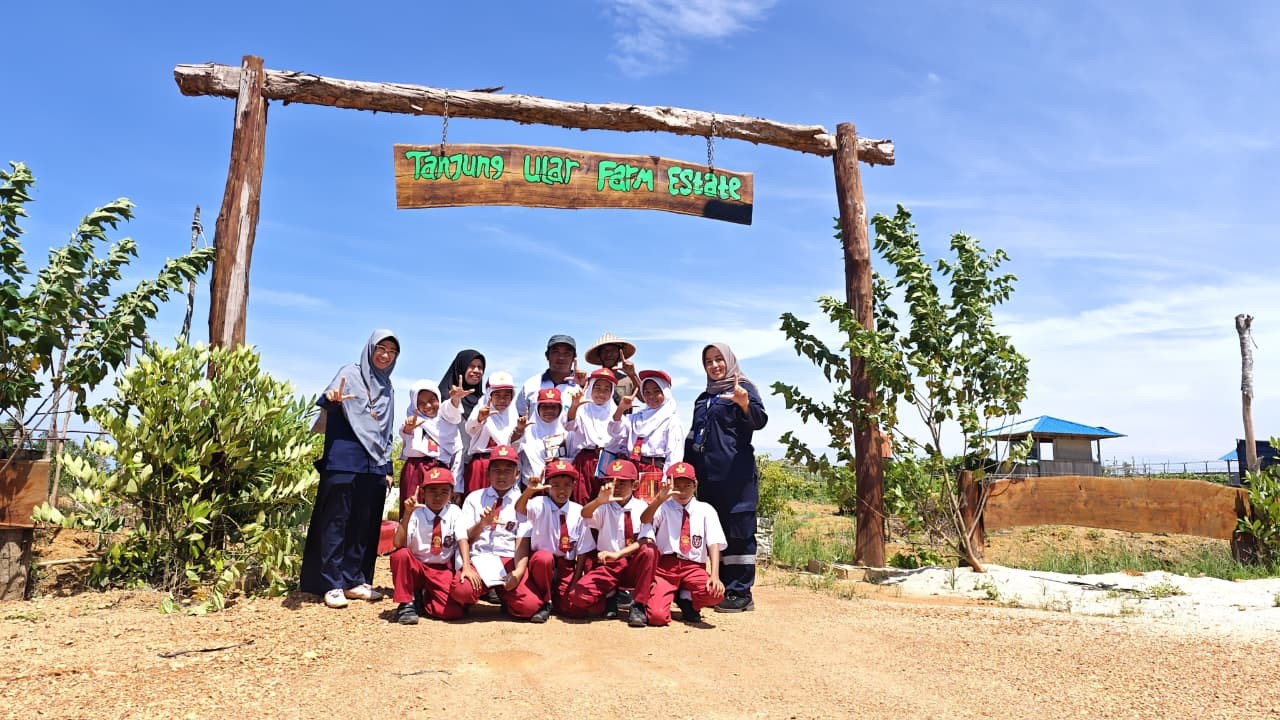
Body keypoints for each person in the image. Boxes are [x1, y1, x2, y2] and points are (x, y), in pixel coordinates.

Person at [300, 329, 400, 609]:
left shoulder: (388, 387)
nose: (385, 355)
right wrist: (332, 398)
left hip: (374, 465)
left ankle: (355, 580)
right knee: (336, 521)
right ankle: (331, 583)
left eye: (392, 352)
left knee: (364, 523)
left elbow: (386, 429)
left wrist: (387, 465)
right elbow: (329, 400)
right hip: (345, 459)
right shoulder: (350, 373)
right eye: (381, 348)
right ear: (370, 349)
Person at [684, 343, 768, 613]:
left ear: (729, 361)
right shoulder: (702, 398)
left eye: (719, 359)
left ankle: (741, 592)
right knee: (716, 532)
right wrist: (686, 471)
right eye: (709, 361)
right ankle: (721, 588)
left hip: (738, 477)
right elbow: (694, 435)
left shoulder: (743, 388)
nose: (715, 365)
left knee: (740, 532)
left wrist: (744, 404)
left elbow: (759, 420)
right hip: (709, 478)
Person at [563, 458, 658, 627]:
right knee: (579, 598)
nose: (617, 486)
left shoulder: (642, 507)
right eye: (611, 481)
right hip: (608, 566)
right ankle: (610, 596)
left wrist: (619, 554)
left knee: (649, 551)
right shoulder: (603, 506)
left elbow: (645, 539)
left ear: (635, 485)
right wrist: (599, 500)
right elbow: (585, 514)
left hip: (632, 564)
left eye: (622, 482)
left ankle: (638, 605)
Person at [450, 445, 540, 619]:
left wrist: (518, 572)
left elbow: (522, 542)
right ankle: (472, 598)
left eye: (508, 470)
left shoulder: (523, 502)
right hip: (480, 558)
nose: (501, 475)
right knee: (462, 591)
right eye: (496, 470)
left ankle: (507, 598)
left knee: (528, 606)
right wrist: (482, 523)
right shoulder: (474, 498)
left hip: (508, 560)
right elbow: (465, 537)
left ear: (517, 474)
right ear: (487, 473)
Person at [639, 462, 726, 625]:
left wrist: (715, 575)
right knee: (657, 617)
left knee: (716, 593)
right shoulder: (663, 507)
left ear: (695, 485)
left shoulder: (706, 509)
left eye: (687, 485)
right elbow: (644, 519)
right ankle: (668, 594)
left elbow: (713, 543)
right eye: (677, 486)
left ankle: (686, 598)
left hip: (693, 567)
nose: (682, 491)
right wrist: (658, 499)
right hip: (666, 568)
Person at [514, 459, 595, 623]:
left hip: (565, 565)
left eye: (567, 484)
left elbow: (582, 550)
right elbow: (520, 509)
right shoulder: (539, 504)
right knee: (544, 558)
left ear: (574, 486)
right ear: (547, 486)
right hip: (541, 564)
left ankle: (557, 598)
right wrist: (528, 492)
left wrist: (575, 581)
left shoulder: (578, 511)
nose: (562, 490)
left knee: (575, 610)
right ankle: (546, 600)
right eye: (555, 485)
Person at [388, 467, 468, 624]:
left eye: (444, 491)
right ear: (423, 493)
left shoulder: (454, 511)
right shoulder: (415, 513)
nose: (438, 496)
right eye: (432, 491)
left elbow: (462, 538)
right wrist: (407, 514)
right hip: (417, 567)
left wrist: (466, 566)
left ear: (451, 494)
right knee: (401, 555)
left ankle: (424, 597)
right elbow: (398, 543)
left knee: (452, 612)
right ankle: (406, 602)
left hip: (440, 570)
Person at [397, 378, 468, 507]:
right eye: (421, 403)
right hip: (415, 471)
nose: (428, 406)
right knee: (413, 512)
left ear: (439, 399)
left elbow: (457, 456)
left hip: (442, 474)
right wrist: (409, 428)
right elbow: (406, 433)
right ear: (414, 405)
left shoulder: (448, 424)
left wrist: (456, 487)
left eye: (432, 400)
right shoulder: (414, 421)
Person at [616, 370, 684, 500]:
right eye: (646, 392)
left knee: (650, 512)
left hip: (654, 470)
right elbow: (615, 431)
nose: (651, 396)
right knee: (632, 509)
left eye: (656, 391)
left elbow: (674, 455)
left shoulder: (671, 420)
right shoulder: (636, 418)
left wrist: (667, 480)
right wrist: (620, 410)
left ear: (665, 392)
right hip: (633, 469)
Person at [462, 371, 530, 495]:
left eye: (507, 395)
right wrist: (480, 419)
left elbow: (514, 447)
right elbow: (470, 429)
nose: (502, 399)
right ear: (489, 396)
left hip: (505, 467)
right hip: (482, 465)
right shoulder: (481, 410)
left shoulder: (513, 415)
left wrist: (519, 430)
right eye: (497, 395)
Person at [565, 368, 625, 505]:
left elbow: (620, 436)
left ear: (611, 392)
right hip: (585, 460)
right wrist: (574, 407)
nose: (601, 393)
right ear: (590, 388)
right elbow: (569, 426)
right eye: (597, 388)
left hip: (608, 460)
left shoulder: (616, 411)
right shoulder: (582, 409)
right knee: (582, 499)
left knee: (605, 502)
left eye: (606, 389)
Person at [516, 334, 585, 417]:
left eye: (567, 353)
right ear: (547, 355)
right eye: (556, 352)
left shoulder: (584, 386)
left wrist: (583, 386)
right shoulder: (530, 384)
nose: (561, 357)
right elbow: (520, 417)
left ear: (574, 357)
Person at [519, 387, 572, 484]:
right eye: (545, 407)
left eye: (553, 407)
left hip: (559, 487)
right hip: (531, 486)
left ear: (560, 409)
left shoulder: (568, 433)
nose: (549, 410)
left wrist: (559, 460)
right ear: (537, 408)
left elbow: (576, 458)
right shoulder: (526, 431)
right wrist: (519, 431)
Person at [583, 331, 640, 403]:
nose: (609, 354)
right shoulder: (591, 381)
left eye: (613, 350)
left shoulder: (628, 380)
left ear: (619, 354)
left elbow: (644, 399)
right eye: (605, 351)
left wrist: (633, 375)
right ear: (599, 355)